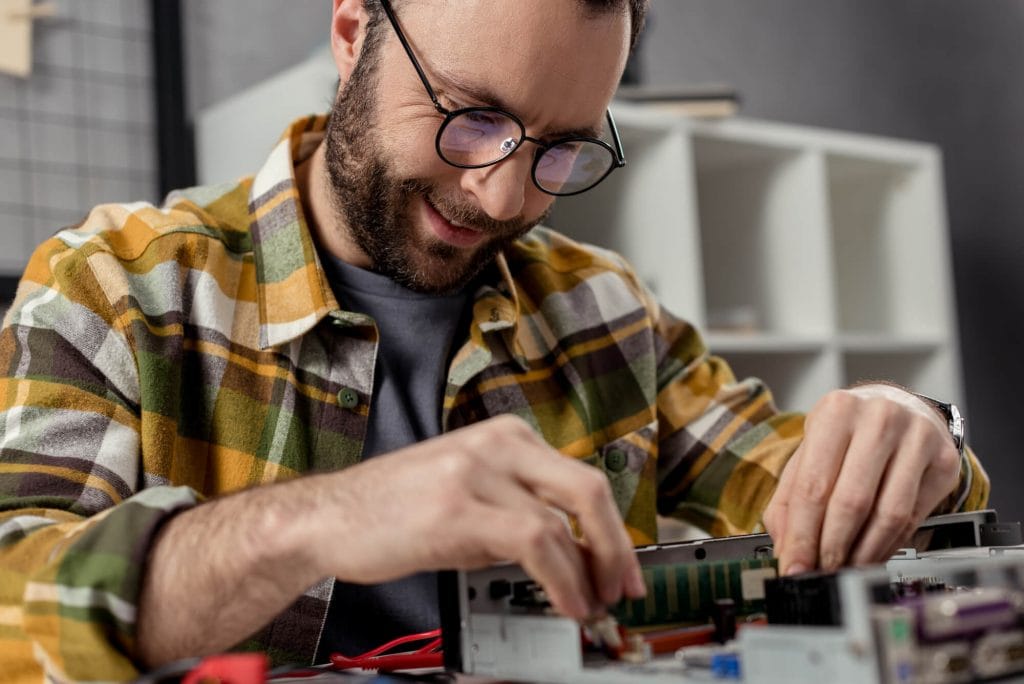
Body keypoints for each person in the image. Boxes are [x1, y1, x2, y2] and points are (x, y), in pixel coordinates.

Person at [0, 0, 988, 681]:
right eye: (472, 118)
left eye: (560, 149)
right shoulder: (117, 285)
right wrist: (313, 522)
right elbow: (15, 611)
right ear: (352, 34)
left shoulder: (605, 310)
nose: (504, 195)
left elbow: (811, 492)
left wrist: (919, 433)